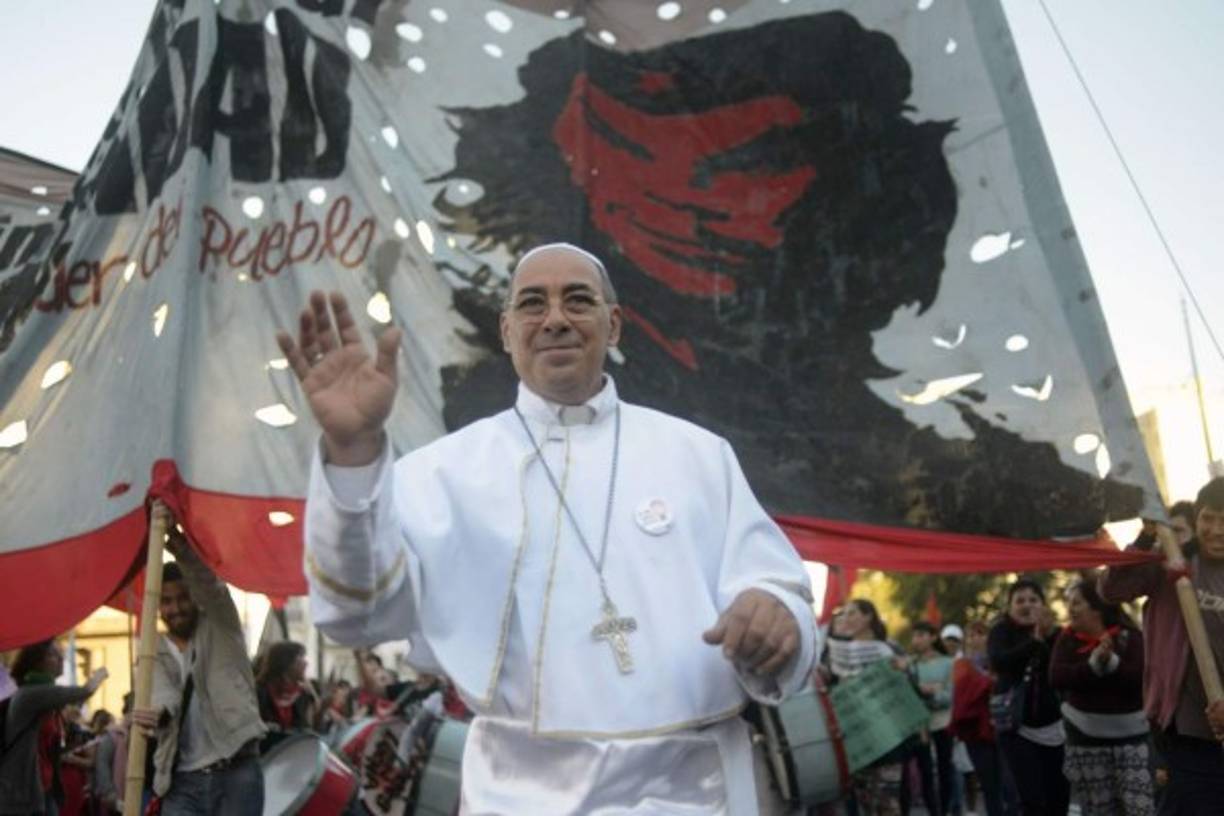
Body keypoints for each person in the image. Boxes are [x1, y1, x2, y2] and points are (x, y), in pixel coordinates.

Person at [279, 243, 818, 813]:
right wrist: (353, 451)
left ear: (613, 325)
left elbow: (778, 593)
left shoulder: (699, 456)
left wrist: (776, 617)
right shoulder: (440, 475)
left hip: (696, 789)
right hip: (521, 795)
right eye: (533, 304)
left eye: (577, 301)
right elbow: (357, 615)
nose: (555, 318)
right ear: (507, 331)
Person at [131, 503, 266, 816]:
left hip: (235, 773)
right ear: (157, 606)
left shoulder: (221, 624)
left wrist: (179, 546)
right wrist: (158, 713)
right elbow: (163, 696)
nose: (175, 608)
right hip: (181, 783)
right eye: (166, 601)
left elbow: (210, 587)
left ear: (194, 598)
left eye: (181, 598)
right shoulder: (153, 650)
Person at [1100, 478, 1224, 815]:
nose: (1215, 530)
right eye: (1208, 518)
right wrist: (1145, 538)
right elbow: (1114, 589)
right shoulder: (1173, 565)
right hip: (1183, 733)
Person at [1049, 577, 1153, 815]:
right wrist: (1093, 665)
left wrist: (1112, 663)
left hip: (1132, 739)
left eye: (1077, 603)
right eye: (1069, 603)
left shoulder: (1130, 637)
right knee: (1098, 810)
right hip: (1085, 739)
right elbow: (1056, 677)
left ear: (1097, 607)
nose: (1070, 609)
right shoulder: (1066, 640)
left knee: (1141, 807)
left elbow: (1141, 678)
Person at [987, 579, 1069, 816]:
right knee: (1030, 800)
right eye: (1020, 601)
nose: (1027, 606)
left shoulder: (1059, 634)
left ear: (1044, 605)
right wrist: (1034, 642)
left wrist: (1049, 636)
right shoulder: (1001, 631)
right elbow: (1000, 662)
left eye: (1033, 600)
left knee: (1058, 796)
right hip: (1017, 729)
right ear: (1009, 606)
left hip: (1055, 729)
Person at [0, 640, 107, 815]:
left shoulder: (50, 703)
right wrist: (99, 674)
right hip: (20, 793)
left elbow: (52, 746)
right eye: (53, 654)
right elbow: (84, 691)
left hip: (45, 788)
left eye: (61, 654)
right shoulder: (31, 693)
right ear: (36, 661)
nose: (60, 659)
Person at [824, 600, 909, 816]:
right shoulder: (835, 652)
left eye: (852, 613)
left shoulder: (888, 650)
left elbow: (905, 691)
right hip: (854, 738)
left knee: (887, 804)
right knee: (864, 804)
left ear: (868, 616)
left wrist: (904, 670)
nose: (846, 618)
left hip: (886, 739)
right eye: (843, 614)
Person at [949, 621, 1015, 816]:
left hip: (1003, 728)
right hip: (976, 732)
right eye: (970, 635)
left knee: (1009, 785)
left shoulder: (1001, 660)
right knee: (989, 786)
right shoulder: (961, 665)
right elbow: (962, 696)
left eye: (980, 633)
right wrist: (990, 683)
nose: (975, 639)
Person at [905, 621, 954, 816]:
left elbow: (948, 695)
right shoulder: (910, 665)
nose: (917, 639)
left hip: (942, 722)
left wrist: (932, 693)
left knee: (945, 770)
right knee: (925, 771)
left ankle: (945, 809)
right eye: (915, 635)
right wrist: (932, 688)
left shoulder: (947, 663)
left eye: (921, 634)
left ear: (933, 637)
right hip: (919, 725)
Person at [255, 641, 318, 750]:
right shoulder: (259, 691)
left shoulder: (304, 695)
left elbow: (307, 730)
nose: (306, 663)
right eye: (301, 656)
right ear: (286, 662)